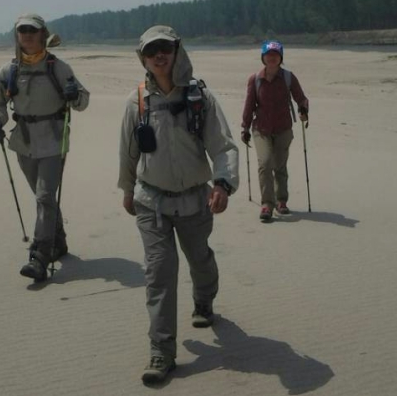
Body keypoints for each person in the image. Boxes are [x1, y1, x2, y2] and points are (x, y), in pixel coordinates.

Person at [118, 25, 239, 384]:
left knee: (199, 258)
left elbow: (223, 146)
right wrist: (127, 189)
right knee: (159, 273)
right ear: (142, 57)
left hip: (194, 200)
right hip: (151, 202)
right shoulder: (137, 101)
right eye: (151, 50)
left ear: (176, 51)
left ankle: (204, 300)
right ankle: (162, 351)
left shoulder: (201, 97)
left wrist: (223, 184)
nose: (159, 55)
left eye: (165, 48)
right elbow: (128, 151)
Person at [0, 13, 90, 282]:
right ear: (17, 36)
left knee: (44, 197)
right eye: (22, 30)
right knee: (44, 197)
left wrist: (74, 95)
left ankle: (40, 256)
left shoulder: (59, 68)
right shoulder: (9, 71)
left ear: (43, 34)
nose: (27, 35)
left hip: (54, 141)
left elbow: (83, 101)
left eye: (32, 30)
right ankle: (59, 241)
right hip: (23, 142)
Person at [240, 40, 309, 222]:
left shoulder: (288, 77)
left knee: (279, 165)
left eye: (275, 55)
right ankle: (267, 205)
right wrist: (245, 127)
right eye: (268, 55)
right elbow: (249, 105)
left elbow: (301, 98)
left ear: (280, 58)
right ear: (263, 58)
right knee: (265, 163)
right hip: (261, 129)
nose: (272, 58)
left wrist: (303, 109)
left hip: (283, 128)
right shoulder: (255, 79)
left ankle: (281, 200)